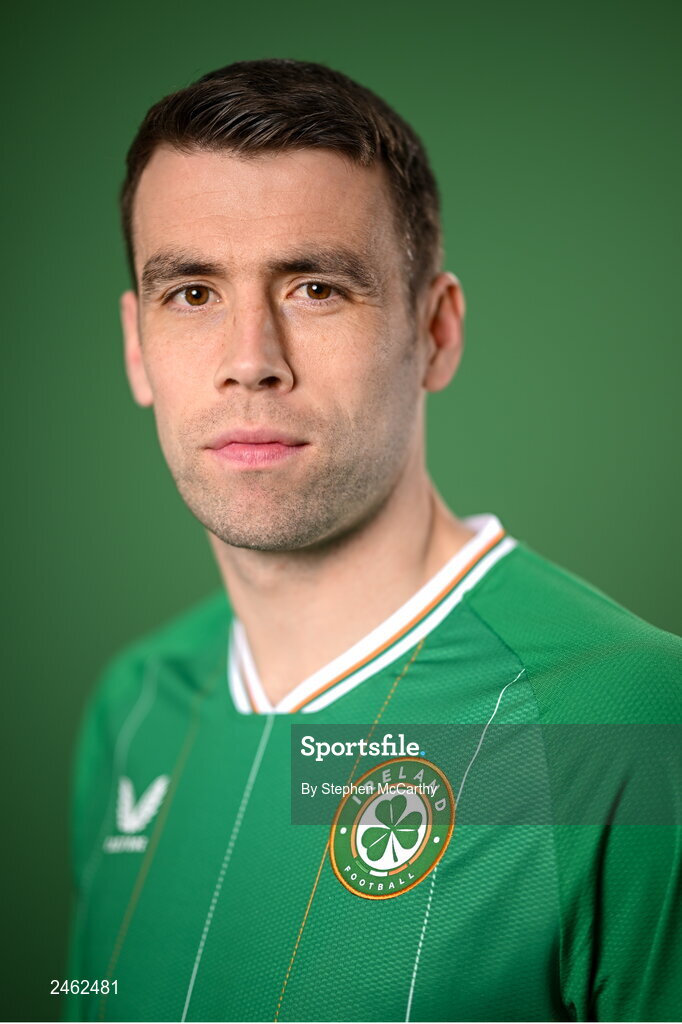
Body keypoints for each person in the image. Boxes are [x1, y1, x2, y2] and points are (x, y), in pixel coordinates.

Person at [66, 59, 681, 1023]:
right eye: (191, 293)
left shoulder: (633, 729)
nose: (249, 362)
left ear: (434, 332)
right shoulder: (134, 709)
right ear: (137, 346)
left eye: (314, 287)